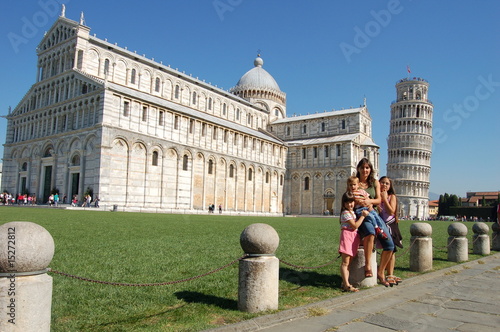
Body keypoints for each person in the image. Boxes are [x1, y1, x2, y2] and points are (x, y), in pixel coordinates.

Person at [355, 158, 395, 286]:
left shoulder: (375, 182)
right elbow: (349, 197)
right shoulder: (355, 182)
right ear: (358, 169)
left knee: (390, 245)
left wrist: (369, 202)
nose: (365, 170)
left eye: (367, 168)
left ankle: (381, 272)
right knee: (370, 233)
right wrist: (360, 202)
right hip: (361, 213)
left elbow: (378, 200)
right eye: (362, 168)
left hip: (372, 212)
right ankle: (368, 265)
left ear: (370, 169)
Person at [338, 191, 369, 292]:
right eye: (347, 203)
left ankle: (345, 282)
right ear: (344, 204)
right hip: (347, 236)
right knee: (345, 262)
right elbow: (354, 225)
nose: (349, 204)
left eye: (351, 202)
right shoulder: (345, 213)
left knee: (349, 262)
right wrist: (363, 216)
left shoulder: (351, 212)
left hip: (353, 237)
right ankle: (347, 285)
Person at [347, 176, 388, 240]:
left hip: (367, 207)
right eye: (350, 185)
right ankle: (376, 228)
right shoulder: (350, 194)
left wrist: (369, 203)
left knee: (376, 216)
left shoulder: (361, 191)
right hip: (359, 210)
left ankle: (381, 230)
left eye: (354, 185)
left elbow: (368, 198)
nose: (352, 187)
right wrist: (356, 202)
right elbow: (350, 203)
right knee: (371, 217)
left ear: (358, 185)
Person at [379, 176, 403, 285]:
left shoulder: (391, 196)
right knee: (388, 249)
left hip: (391, 225)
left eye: (387, 183)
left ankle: (390, 274)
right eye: (382, 182)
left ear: (390, 186)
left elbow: (391, 212)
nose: (384, 185)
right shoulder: (376, 196)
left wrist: (384, 199)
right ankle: (385, 272)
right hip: (381, 225)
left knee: (392, 250)